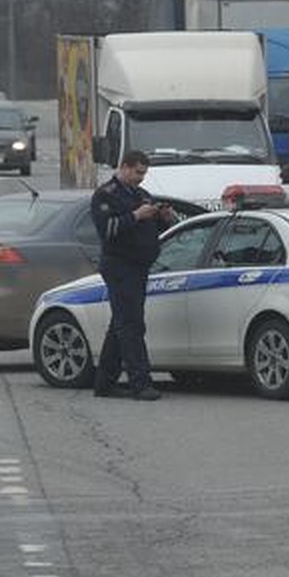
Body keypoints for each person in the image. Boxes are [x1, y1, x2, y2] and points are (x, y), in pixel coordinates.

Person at [90, 150, 176, 401]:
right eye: (138, 172)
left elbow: (150, 229)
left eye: (144, 173)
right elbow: (108, 229)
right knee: (132, 324)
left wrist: (163, 218)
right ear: (125, 167)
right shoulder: (106, 195)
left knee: (120, 324)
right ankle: (140, 383)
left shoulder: (142, 195)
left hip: (139, 266)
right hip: (119, 265)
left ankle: (104, 383)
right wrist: (136, 215)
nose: (141, 178)